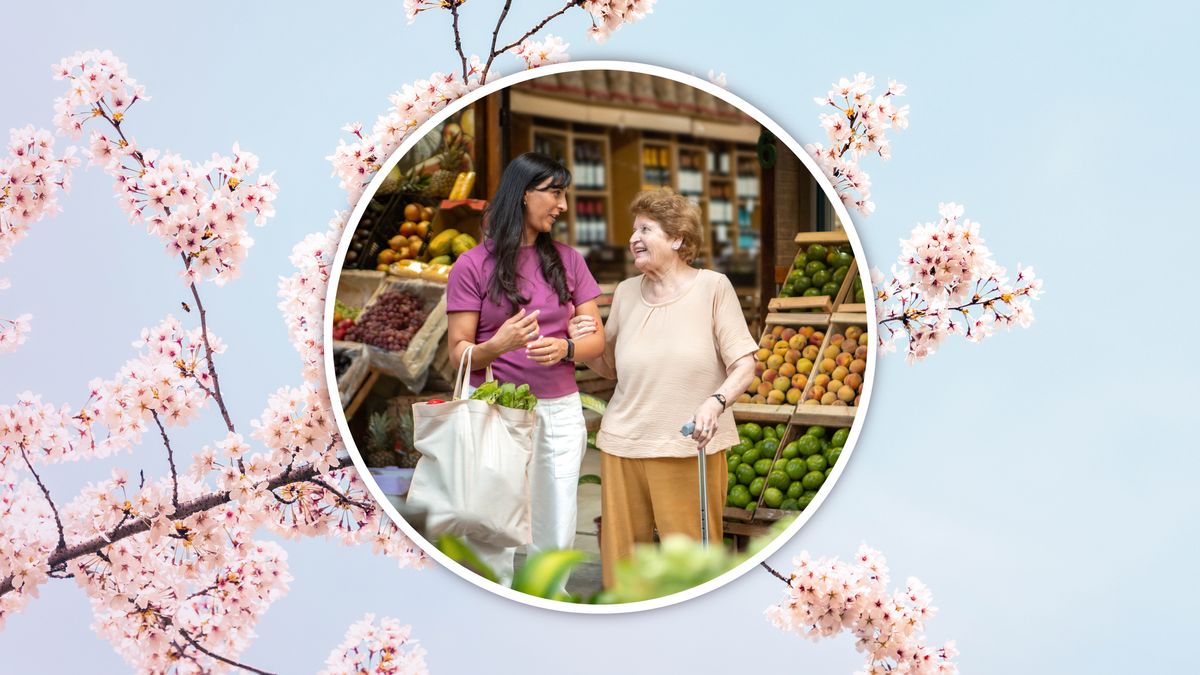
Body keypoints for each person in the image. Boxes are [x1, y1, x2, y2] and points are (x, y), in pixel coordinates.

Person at [568, 187, 756, 590]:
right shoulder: (624, 293)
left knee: (689, 565)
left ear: (677, 238)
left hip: (688, 443)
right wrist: (584, 344)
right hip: (623, 442)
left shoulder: (713, 287)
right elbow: (610, 366)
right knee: (624, 569)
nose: (634, 238)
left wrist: (716, 402)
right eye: (634, 230)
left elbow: (745, 364)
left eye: (646, 229)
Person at [445, 152, 605, 586]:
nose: (563, 206)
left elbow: (596, 341)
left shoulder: (569, 261)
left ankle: (548, 601)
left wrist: (566, 347)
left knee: (554, 525)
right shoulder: (472, 265)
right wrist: (495, 346)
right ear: (522, 194)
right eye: (554, 193)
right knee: (493, 525)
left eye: (564, 194)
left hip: (559, 410)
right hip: (496, 412)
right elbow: (455, 351)